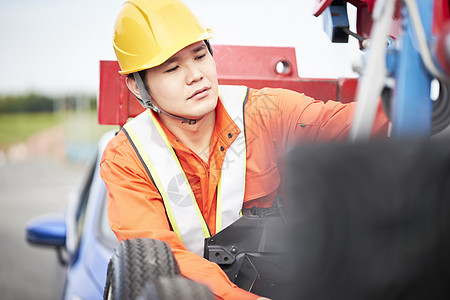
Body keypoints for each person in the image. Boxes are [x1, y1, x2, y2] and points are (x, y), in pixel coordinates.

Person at [100, 0, 389, 299]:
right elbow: (157, 260)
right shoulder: (126, 158)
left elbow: (353, 126)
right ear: (137, 87)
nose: (195, 75)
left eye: (200, 56)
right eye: (172, 68)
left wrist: (419, 88)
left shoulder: (267, 112)